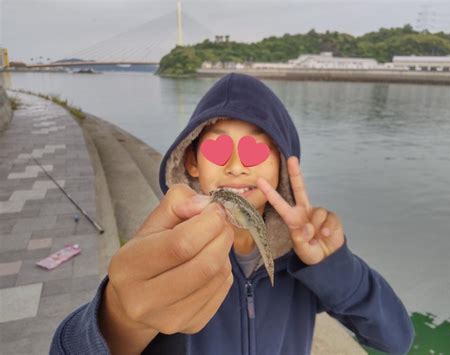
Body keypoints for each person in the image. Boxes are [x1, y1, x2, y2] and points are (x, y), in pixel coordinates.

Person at [51, 73, 415, 355]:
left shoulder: (302, 264)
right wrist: (119, 318)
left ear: (282, 168)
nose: (237, 165)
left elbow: (396, 338)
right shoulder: (170, 254)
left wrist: (335, 265)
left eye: (257, 149)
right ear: (191, 161)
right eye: (219, 146)